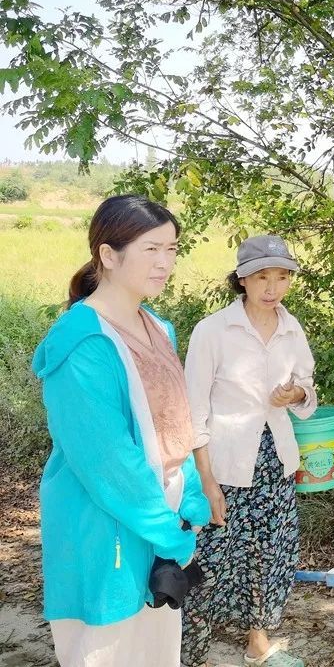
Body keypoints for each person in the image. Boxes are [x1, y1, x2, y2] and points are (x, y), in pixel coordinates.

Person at [33, 194, 210, 667]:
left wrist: (190, 493)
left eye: (171, 249)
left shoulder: (158, 328)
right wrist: (168, 532)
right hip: (105, 521)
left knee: (154, 649)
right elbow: (107, 460)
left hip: (160, 513)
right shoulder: (83, 342)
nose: (165, 263)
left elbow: (174, 420)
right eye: (151, 249)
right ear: (108, 256)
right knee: (106, 648)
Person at [181, 235, 317, 667]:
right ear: (242, 279)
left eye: (282, 277)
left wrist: (296, 394)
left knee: (268, 553)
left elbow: (307, 387)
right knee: (209, 558)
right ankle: (189, 652)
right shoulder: (213, 331)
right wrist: (205, 480)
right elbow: (193, 410)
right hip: (224, 465)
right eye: (262, 277)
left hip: (275, 461)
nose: (273, 288)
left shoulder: (291, 329)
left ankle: (257, 642)